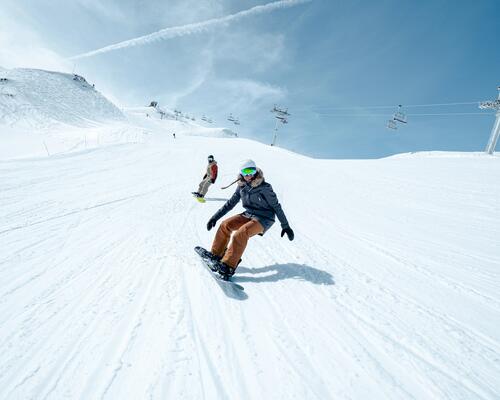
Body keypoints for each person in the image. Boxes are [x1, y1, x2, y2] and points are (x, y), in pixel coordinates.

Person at [205, 159, 294, 277]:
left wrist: (285, 225)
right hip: (248, 214)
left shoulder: (265, 187)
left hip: (264, 218)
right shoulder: (241, 186)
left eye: (251, 170)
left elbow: (276, 206)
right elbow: (230, 203)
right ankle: (217, 255)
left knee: (241, 233)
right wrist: (214, 217)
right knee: (225, 225)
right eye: (245, 171)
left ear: (255, 170)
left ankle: (228, 265)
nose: (248, 175)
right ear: (241, 173)